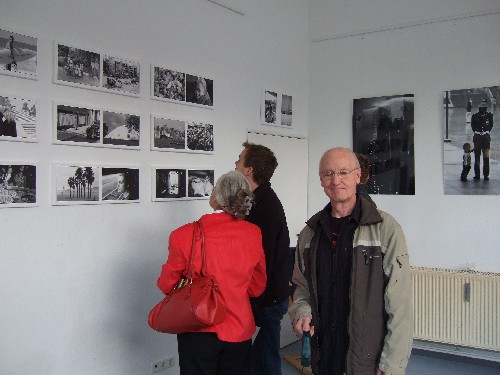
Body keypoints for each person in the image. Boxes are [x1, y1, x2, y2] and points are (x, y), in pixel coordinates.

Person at [289, 147, 413, 375]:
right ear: (321, 180)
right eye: (328, 173)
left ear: (358, 176)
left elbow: (400, 305)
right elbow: (301, 288)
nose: (336, 180)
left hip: (368, 361)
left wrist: (393, 363)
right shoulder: (310, 233)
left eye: (343, 172)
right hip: (324, 357)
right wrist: (302, 312)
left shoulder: (386, 229)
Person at [156, 171, 267, 375]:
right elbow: (257, 287)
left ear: (216, 196)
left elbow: (166, 285)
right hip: (239, 329)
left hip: (197, 328)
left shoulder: (182, 234)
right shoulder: (253, 233)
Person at [235, 141, 290, 375]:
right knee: (259, 358)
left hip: (268, 298)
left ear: (249, 169)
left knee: (267, 359)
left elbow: (263, 260)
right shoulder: (255, 198)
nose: (235, 163)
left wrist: (253, 303)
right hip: (264, 295)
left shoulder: (265, 206)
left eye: (239, 159)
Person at [471, 99, 494, 180]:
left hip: (486, 138)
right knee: (477, 156)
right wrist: (478, 132)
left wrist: (486, 132)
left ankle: (486, 174)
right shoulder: (475, 116)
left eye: (484, 108)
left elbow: (491, 125)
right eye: (481, 108)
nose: (483, 109)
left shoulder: (489, 115)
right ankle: (477, 174)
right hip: (477, 137)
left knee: (486, 157)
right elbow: (473, 126)